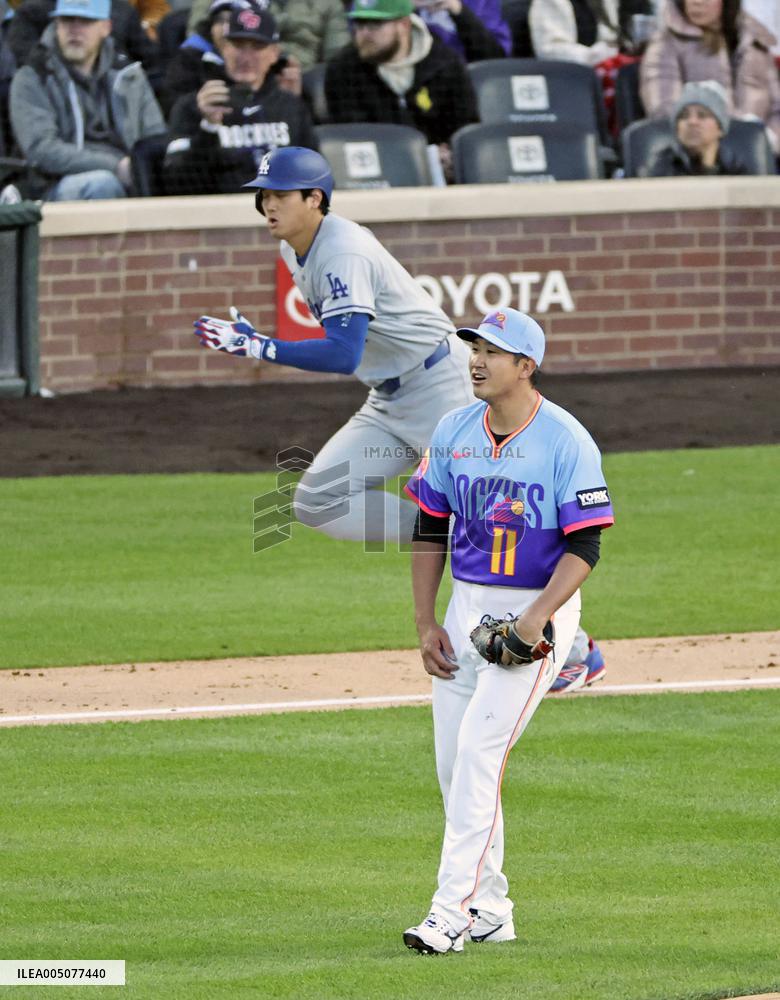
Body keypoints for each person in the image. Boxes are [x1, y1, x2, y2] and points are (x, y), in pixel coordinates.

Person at [191, 146, 608, 689]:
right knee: (317, 501)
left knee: (495, 528)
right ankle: (455, 533)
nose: (268, 204)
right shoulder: (298, 248)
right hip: (389, 398)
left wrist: (259, 348)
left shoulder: (342, 250)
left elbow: (342, 352)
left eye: (279, 194)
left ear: (314, 198)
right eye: (263, 195)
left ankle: (574, 651)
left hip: (444, 389)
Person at [402, 306, 614, 954]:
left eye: (491, 350)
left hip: (537, 613)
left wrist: (537, 615)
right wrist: (424, 621)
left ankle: (450, 913)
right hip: (467, 608)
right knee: (453, 766)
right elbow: (430, 526)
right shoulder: (454, 429)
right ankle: (492, 909)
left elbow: (587, 548)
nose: (476, 359)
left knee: (478, 755)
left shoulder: (566, 439)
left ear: (526, 365)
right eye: (473, 347)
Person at [9, 0, 165, 200]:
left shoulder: (130, 75)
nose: (75, 30)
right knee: (102, 184)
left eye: (85, 21)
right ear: (56, 24)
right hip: (55, 183)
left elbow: (155, 136)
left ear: (105, 28)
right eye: (67, 20)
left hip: (130, 174)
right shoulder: (33, 76)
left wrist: (138, 169)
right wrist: (115, 166)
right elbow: (41, 150)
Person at [162, 2, 318, 196]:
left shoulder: (291, 105)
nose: (246, 57)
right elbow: (175, 184)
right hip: (219, 216)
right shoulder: (192, 106)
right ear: (223, 47)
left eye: (257, 46)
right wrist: (208, 129)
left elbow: (316, 178)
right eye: (238, 45)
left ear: (274, 54)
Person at [324, 0, 478, 176]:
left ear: (404, 24)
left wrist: (451, 154)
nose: (364, 33)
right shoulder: (343, 69)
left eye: (375, 24)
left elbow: (465, 129)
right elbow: (351, 136)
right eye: (359, 24)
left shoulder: (446, 64)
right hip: (373, 174)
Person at [640, 0, 780, 155]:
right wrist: (741, 132)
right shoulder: (665, 43)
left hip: (763, 156)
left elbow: (777, 108)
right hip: (700, 159)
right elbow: (664, 110)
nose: (696, 2)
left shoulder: (755, 43)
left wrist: (770, 139)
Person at [7, 0, 161, 90]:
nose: (76, 27)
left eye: (87, 22)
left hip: (119, 97)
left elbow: (152, 67)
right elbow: (27, 64)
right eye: (67, 20)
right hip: (54, 96)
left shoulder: (122, 11)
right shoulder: (33, 12)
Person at [186, 0, 350, 75]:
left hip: (302, 74)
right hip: (235, 69)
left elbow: (338, 57)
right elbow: (198, 37)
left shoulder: (329, 3)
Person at [646, 79, 750, 175]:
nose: (692, 122)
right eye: (684, 116)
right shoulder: (661, 167)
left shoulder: (735, 167)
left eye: (702, 115)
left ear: (720, 129)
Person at [528, 0, 654, 66]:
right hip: (581, 81)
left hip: (626, 70)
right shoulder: (553, 2)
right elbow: (550, 50)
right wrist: (593, 56)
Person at [414, 0, 511, 62]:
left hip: (470, 80)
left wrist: (459, 11)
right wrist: (406, 8)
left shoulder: (482, 3)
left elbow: (496, 60)